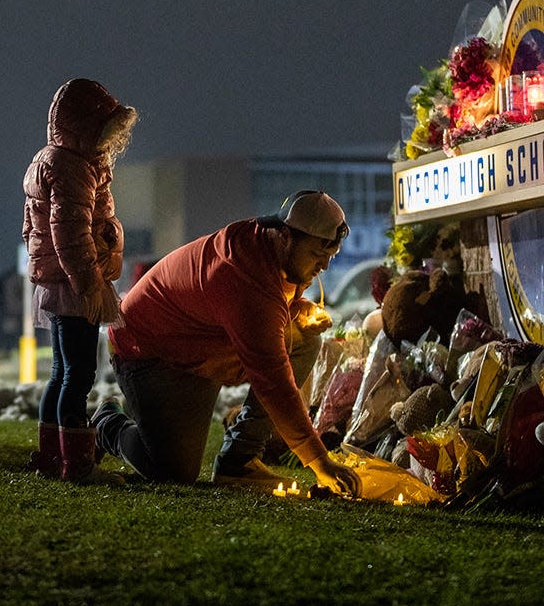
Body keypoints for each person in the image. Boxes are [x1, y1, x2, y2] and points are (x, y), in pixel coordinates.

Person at [92, 190, 362, 497]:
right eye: (317, 254)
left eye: (330, 255)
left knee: (305, 340)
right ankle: (107, 423)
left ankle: (239, 460)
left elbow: (266, 314)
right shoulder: (244, 277)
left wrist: (297, 311)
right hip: (148, 350)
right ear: (286, 236)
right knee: (173, 471)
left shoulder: (272, 248)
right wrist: (320, 462)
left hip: (202, 344)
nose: (324, 266)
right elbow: (273, 381)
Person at [22, 78, 138, 484]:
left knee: (61, 373)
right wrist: (89, 285)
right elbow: (69, 234)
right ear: (88, 126)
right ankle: (77, 465)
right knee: (79, 375)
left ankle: (53, 457)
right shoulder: (72, 167)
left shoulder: (52, 161)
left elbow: (35, 233)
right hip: (76, 287)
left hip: (57, 284)